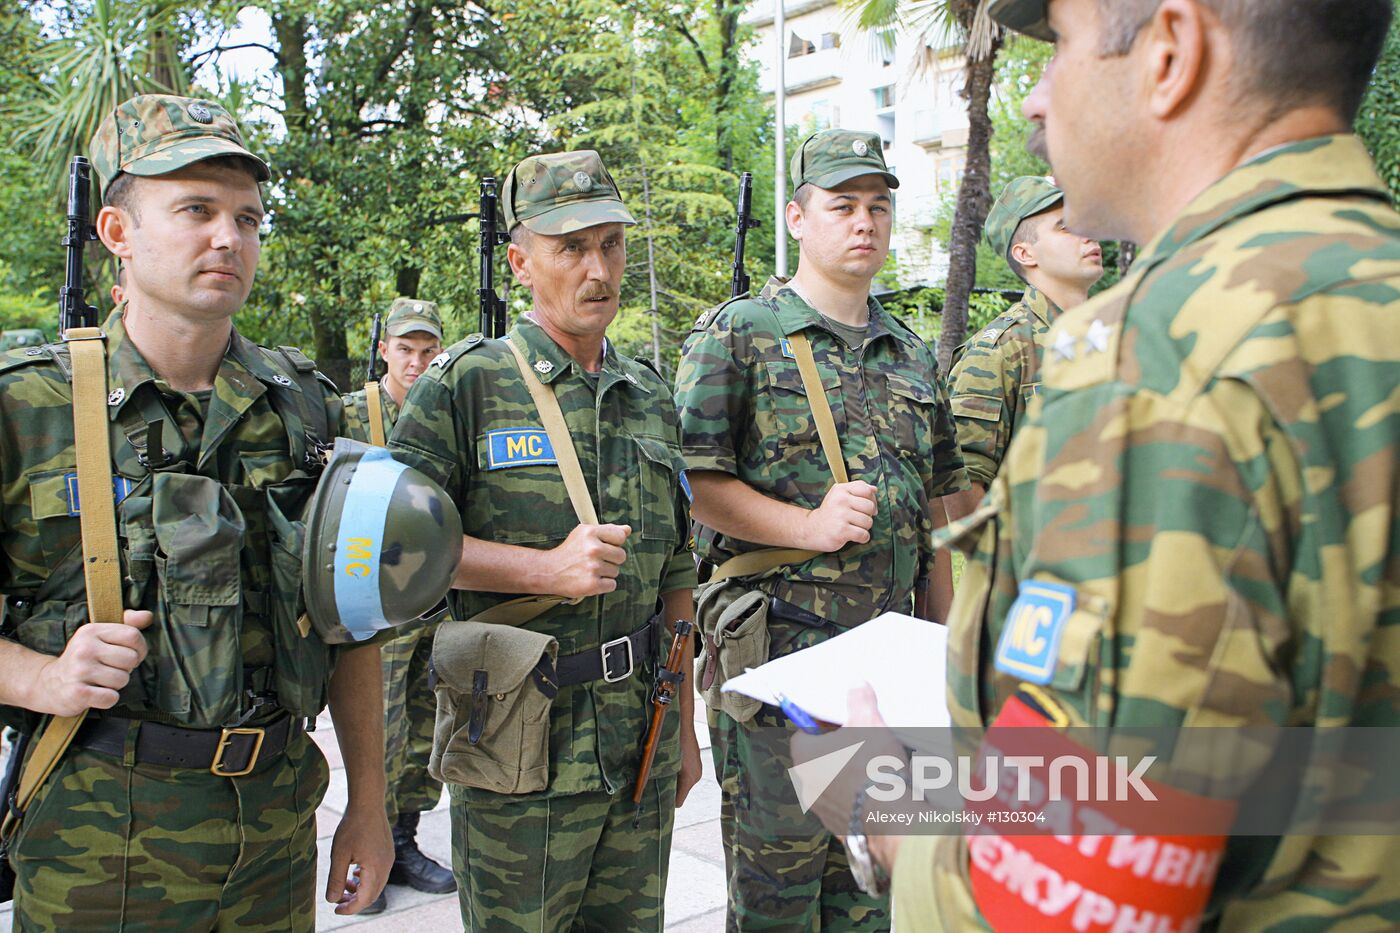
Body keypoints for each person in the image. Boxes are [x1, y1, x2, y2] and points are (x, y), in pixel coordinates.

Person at [813, 0, 1400, 928]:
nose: (1039, 98)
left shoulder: (1165, 358)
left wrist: (884, 810)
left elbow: (1066, 894)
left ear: (1171, 51)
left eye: (1063, 45)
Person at [0, 95, 393, 929]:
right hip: (96, 843)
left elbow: (352, 626)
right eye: (196, 210)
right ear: (116, 232)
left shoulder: (307, 411)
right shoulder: (28, 407)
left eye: (247, 218)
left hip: (275, 832)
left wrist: (368, 801)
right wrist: (39, 676)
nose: (229, 237)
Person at [388, 149, 701, 931]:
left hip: (640, 734)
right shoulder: (462, 385)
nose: (598, 268)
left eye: (611, 243)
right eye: (572, 248)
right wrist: (542, 569)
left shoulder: (650, 397)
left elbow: (676, 578)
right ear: (522, 262)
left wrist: (684, 728)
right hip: (520, 745)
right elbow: (387, 550)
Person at [674, 128, 968, 931]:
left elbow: (941, 512)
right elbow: (694, 483)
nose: (864, 222)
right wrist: (806, 525)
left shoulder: (910, 354)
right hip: (785, 679)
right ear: (799, 218)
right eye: (842, 206)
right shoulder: (739, 333)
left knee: (877, 897)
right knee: (779, 898)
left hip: (889, 677)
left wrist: (945, 655)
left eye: (878, 206)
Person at [340, 297, 452, 913]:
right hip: (373, 601)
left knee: (423, 731)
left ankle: (404, 841)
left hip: (431, 598)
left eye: (426, 350)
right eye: (404, 349)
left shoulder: (444, 411)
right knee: (376, 733)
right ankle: (367, 854)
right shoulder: (353, 413)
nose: (415, 361)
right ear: (384, 349)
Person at [942, 176, 1102, 520]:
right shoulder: (998, 351)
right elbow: (962, 482)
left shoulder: (1118, 335)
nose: (1088, 234)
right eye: (1066, 227)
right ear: (1025, 253)